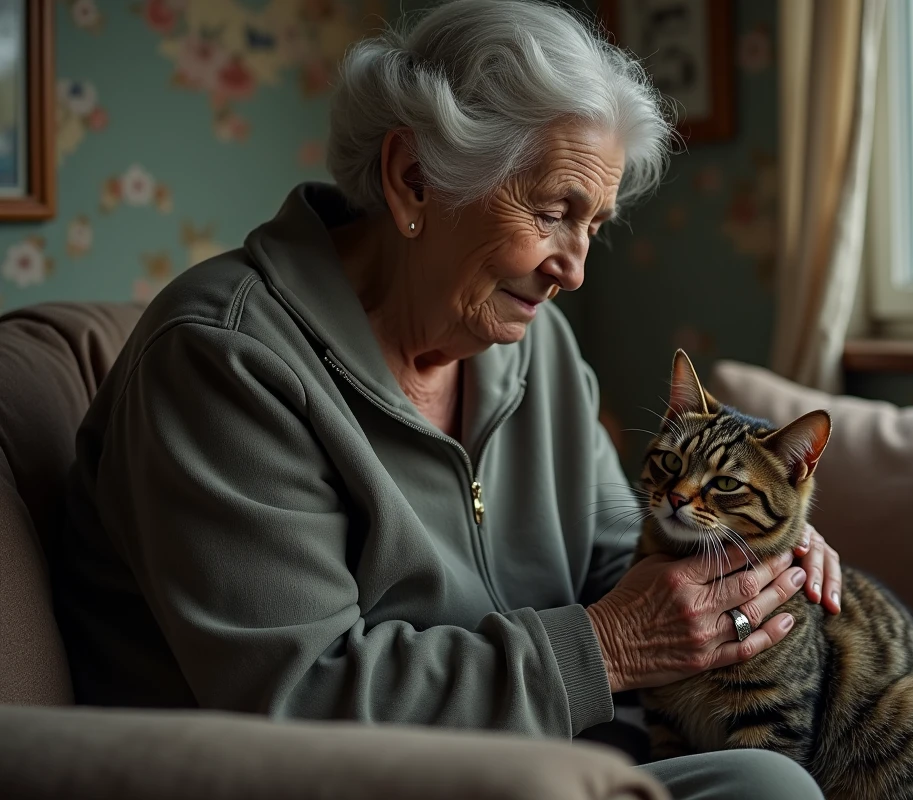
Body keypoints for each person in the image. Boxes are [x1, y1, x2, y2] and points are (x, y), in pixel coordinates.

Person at [59, 2, 843, 797]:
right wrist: (604, 648)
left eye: (593, 227)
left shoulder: (534, 343)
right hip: (331, 785)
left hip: (543, 765)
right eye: (551, 213)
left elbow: (618, 553)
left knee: (771, 775)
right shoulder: (224, 361)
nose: (572, 270)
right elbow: (300, 698)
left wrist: (751, 567)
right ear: (415, 178)